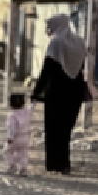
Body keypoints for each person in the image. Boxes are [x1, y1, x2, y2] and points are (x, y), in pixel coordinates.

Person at [31, 14, 87, 174]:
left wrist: (36, 92)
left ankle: (53, 164)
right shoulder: (79, 42)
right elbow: (81, 67)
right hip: (75, 91)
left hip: (56, 92)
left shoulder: (55, 43)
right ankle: (64, 163)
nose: (48, 29)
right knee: (66, 129)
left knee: (53, 129)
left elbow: (47, 70)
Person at [4, 93, 33, 176]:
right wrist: (34, 101)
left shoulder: (12, 115)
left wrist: (10, 137)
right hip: (25, 137)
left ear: (10, 104)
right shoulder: (27, 112)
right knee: (23, 154)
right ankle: (23, 169)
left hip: (15, 137)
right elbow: (31, 107)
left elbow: (11, 127)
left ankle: (11, 165)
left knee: (7, 151)